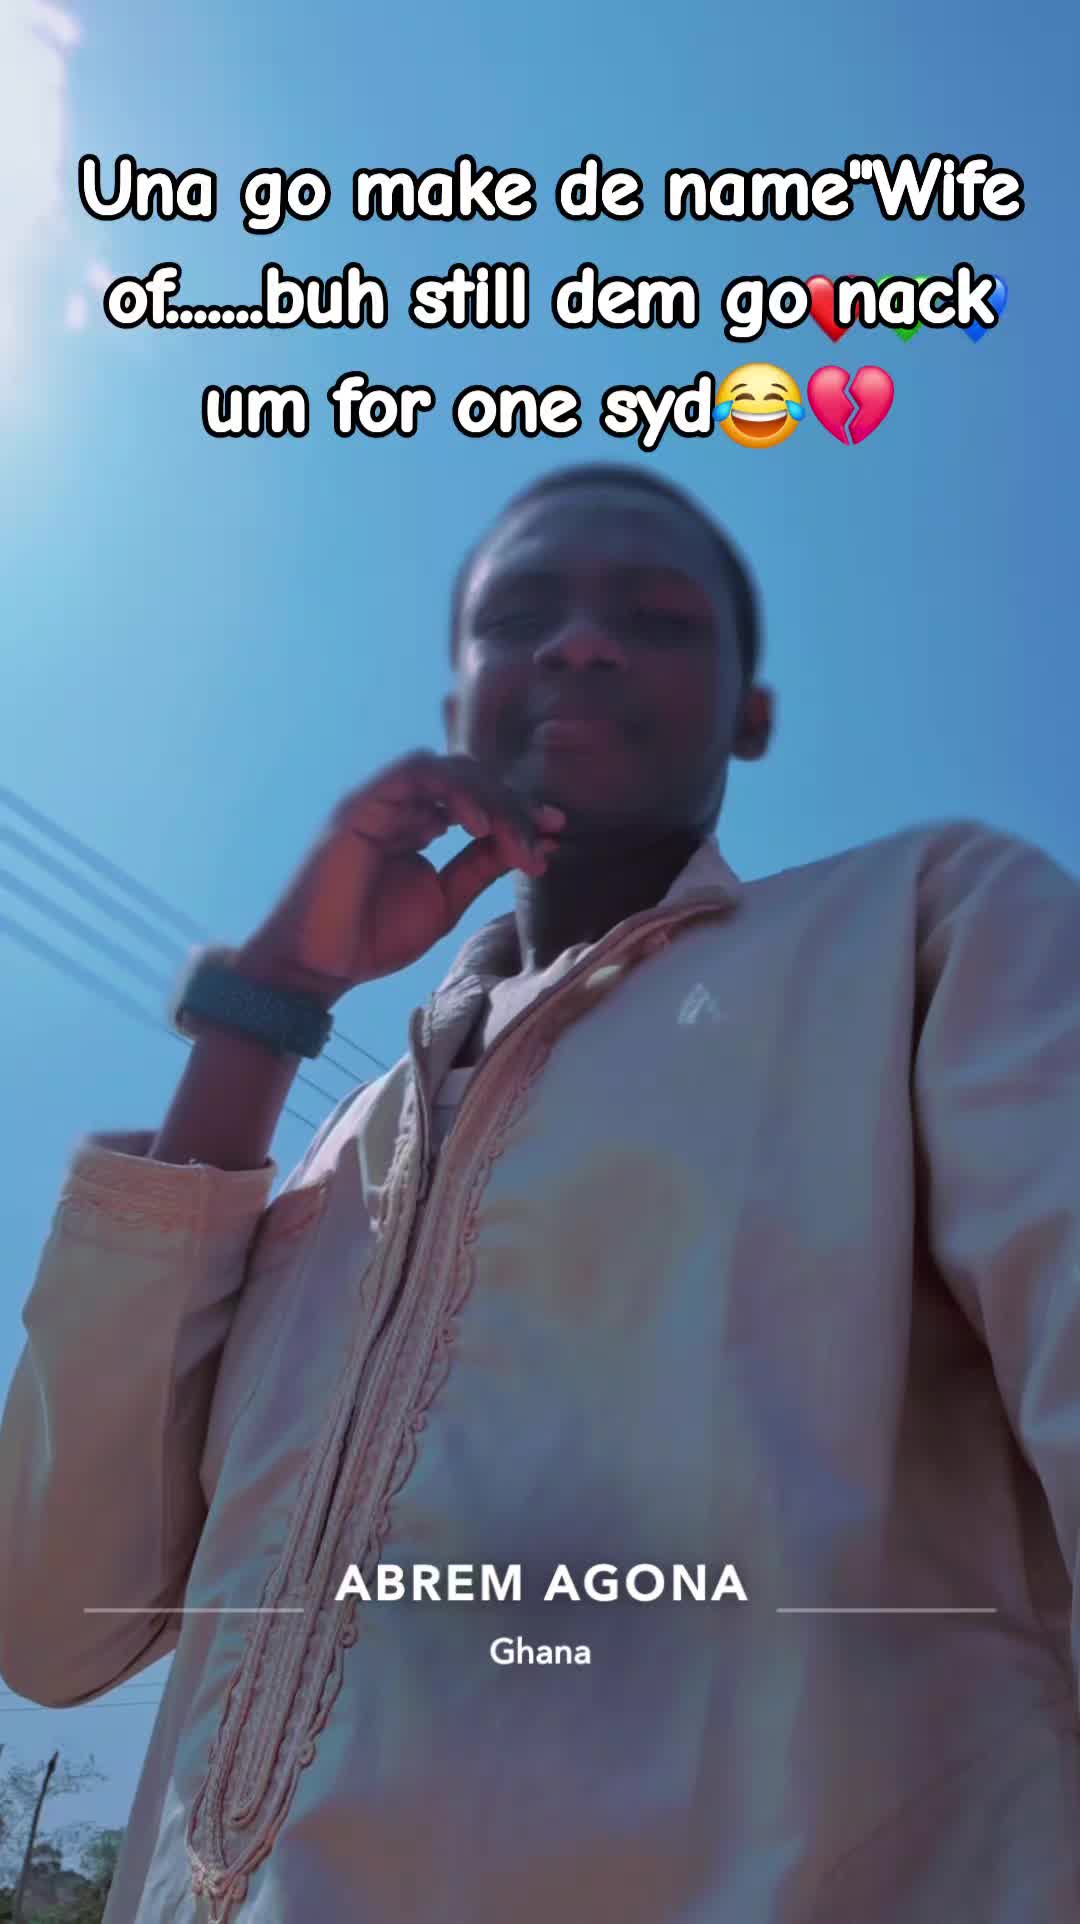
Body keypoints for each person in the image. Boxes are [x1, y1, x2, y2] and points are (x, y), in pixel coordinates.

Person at [1, 462, 1079, 1924]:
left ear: (754, 716)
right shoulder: (340, 1149)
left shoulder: (920, 933)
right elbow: (54, 1624)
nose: (578, 643)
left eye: (657, 615)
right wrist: (271, 998)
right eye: (519, 618)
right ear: (460, 700)